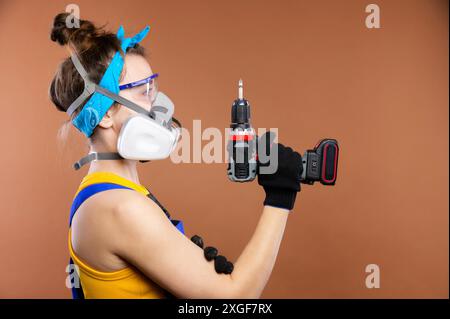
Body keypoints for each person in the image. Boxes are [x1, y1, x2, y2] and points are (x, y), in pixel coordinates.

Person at [49, 12, 303, 299]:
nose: (159, 105)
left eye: (154, 87)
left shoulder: (110, 194)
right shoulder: (120, 208)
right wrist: (280, 196)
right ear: (106, 113)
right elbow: (234, 300)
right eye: (144, 91)